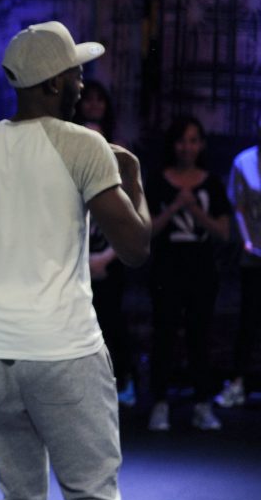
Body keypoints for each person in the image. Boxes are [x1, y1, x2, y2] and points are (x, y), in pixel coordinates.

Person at [0, 21, 151, 500]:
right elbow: (136, 247)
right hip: (65, 351)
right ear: (53, 83)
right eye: (76, 75)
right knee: (92, 498)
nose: (82, 84)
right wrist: (134, 179)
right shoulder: (83, 145)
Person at [147, 116, 230, 432]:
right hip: (167, 269)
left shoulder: (212, 183)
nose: (187, 147)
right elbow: (148, 230)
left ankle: (202, 404)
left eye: (194, 140)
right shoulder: (157, 180)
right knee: (164, 336)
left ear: (202, 145)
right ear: (173, 144)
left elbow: (223, 231)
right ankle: (159, 403)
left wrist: (194, 209)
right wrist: (173, 208)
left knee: (200, 337)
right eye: (182, 140)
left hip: (201, 270)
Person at [75, 82, 136, 406]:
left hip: (109, 257)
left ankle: (120, 381)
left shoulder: (120, 163)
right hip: (74, 259)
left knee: (110, 321)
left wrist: (105, 258)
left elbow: (129, 219)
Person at [218, 113, 261, 408]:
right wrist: (248, 242)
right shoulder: (244, 162)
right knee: (249, 320)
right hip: (254, 254)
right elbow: (239, 207)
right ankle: (238, 383)